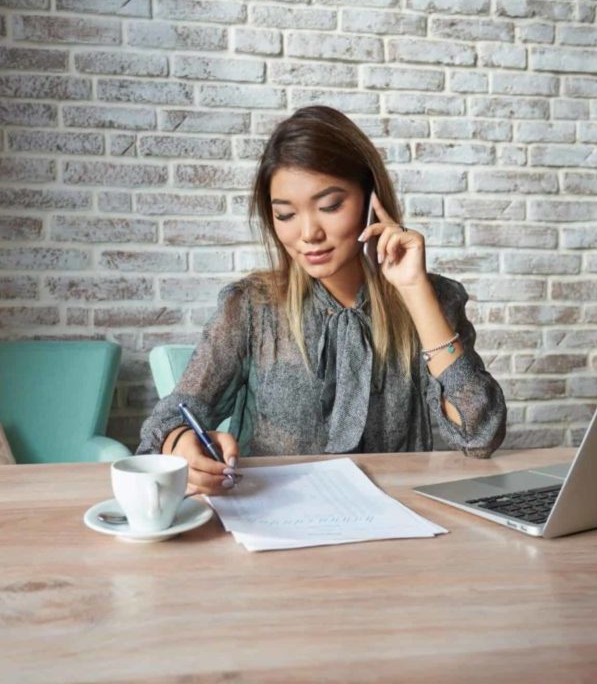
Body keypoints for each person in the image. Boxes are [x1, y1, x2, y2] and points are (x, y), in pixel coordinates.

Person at [138, 106, 507, 494]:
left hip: (397, 525)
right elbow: (169, 419)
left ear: (370, 199)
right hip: (274, 518)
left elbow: (480, 436)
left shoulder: (433, 299)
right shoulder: (250, 306)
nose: (308, 233)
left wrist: (415, 291)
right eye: (285, 214)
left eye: (330, 207)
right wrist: (181, 444)